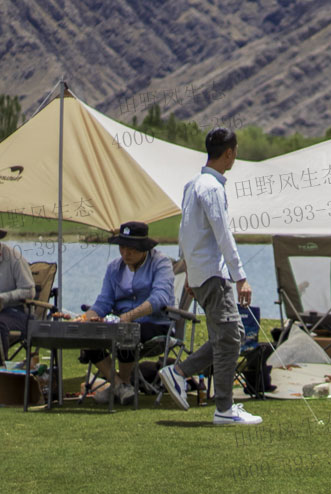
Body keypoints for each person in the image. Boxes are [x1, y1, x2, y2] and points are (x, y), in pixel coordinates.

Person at [158, 127, 261, 425]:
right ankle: (224, 409)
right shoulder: (213, 188)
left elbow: (185, 233)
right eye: (236, 151)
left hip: (200, 274)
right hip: (214, 276)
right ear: (229, 153)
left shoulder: (192, 184)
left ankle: (179, 373)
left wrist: (188, 271)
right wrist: (240, 277)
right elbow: (223, 234)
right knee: (230, 337)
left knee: (231, 334)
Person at [78, 221, 175, 406]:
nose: (125, 253)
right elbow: (104, 301)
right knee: (87, 334)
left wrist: (130, 316)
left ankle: (119, 386)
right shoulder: (114, 267)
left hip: (155, 324)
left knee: (126, 332)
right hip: (120, 324)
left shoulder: (161, 263)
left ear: (144, 248)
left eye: (131, 249)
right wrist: (86, 318)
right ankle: (120, 386)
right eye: (122, 248)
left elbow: (160, 297)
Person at [0, 228, 35, 359]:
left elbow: (29, 291)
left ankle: (1, 371)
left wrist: (4, 297)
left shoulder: (14, 257)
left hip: (17, 312)